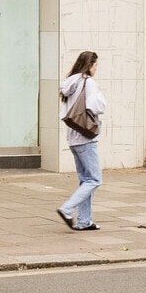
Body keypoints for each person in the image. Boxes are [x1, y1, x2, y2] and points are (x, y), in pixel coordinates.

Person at [56, 50, 106, 232]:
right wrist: (102, 97)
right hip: (85, 137)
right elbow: (95, 106)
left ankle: (84, 221)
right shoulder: (88, 82)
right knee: (94, 179)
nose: (96, 69)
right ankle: (67, 208)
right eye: (96, 65)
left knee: (85, 180)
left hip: (73, 137)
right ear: (89, 65)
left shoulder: (72, 81)